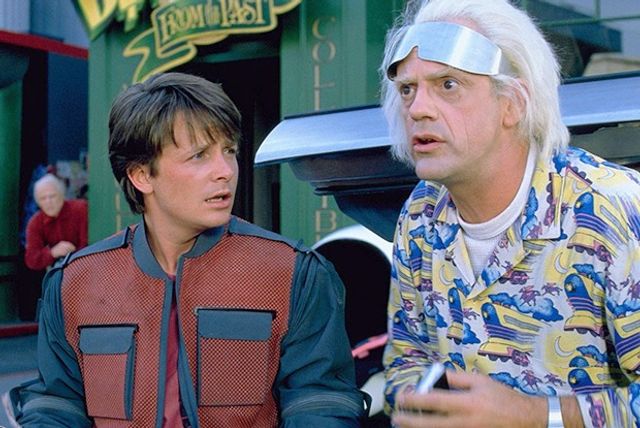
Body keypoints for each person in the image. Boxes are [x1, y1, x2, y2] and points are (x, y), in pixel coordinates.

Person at [10, 72, 366, 427]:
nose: (225, 171)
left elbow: (320, 403)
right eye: (199, 155)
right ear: (141, 175)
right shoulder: (74, 284)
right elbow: (56, 406)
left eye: (229, 151)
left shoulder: (293, 274)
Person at [381, 0, 640, 427]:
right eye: (407, 89)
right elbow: (407, 360)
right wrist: (423, 404)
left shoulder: (610, 208)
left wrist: (536, 415)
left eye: (448, 85)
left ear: (513, 103)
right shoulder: (420, 215)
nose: (417, 108)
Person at [24, 173, 88, 271]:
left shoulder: (80, 209)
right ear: (38, 202)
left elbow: (88, 244)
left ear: (62, 195)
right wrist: (52, 253)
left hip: (86, 266)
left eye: (52, 196)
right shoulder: (36, 222)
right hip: (58, 271)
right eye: (43, 198)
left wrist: (74, 254)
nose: (48, 202)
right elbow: (31, 259)